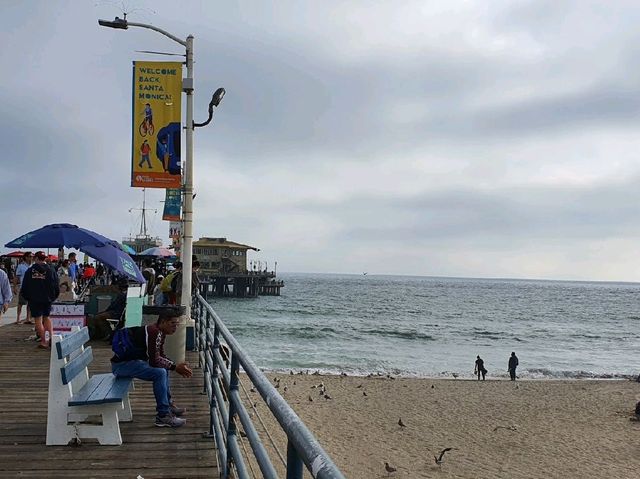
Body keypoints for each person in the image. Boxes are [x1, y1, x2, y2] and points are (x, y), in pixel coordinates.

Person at [111, 309, 192, 427]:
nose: (175, 327)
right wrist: (175, 367)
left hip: (131, 363)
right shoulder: (154, 332)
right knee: (159, 373)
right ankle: (163, 416)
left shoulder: (159, 331)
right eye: (172, 324)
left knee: (163, 369)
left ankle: (168, 405)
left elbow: (160, 356)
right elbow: (154, 361)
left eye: (177, 324)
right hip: (121, 366)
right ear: (163, 322)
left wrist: (173, 365)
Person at [20, 251, 59, 349]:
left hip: (34, 300)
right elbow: (56, 285)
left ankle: (44, 342)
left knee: (38, 320)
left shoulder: (30, 271)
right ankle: (51, 338)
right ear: (44, 259)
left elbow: (24, 286)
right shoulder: (51, 270)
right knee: (47, 318)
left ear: (36, 258)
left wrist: (27, 297)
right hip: (48, 299)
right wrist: (53, 297)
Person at [15, 252, 32, 324]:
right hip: (23, 287)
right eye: (30, 256)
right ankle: (18, 318)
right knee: (21, 303)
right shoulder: (20, 266)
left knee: (30, 304)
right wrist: (15, 287)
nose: (31, 258)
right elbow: (16, 277)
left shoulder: (33, 266)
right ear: (26, 257)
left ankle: (28, 318)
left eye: (32, 256)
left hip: (32, 288)